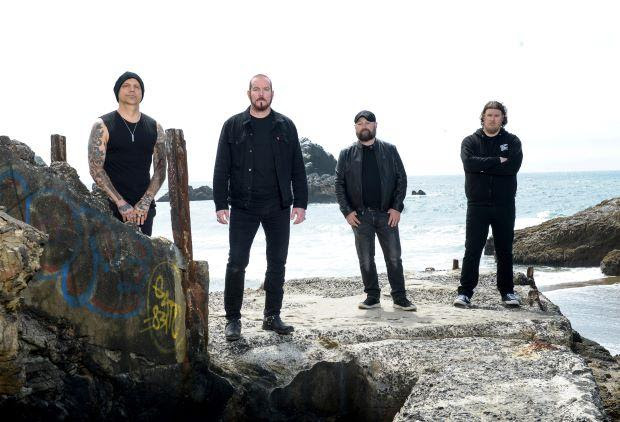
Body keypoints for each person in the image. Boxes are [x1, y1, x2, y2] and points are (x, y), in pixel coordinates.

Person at [213, 74, 308, 341]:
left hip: (278, 205)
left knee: (277, 263)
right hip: (243, 206)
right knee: (236, 262)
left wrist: (300, 202)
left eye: (266, 89)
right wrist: (220, 203)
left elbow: (297, 167)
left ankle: (272, 316)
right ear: (249, 94)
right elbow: (221, 167)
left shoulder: (286, 126)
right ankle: (233, 319)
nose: (261, 94)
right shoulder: (232, 125)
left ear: (272, 94)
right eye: (256, 89)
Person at [335, 110, 416, 311]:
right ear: (355, 128)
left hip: (386, 214)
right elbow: (339, 184)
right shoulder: (346, 154)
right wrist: (347, 211)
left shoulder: (389, 150)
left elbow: (401, 179)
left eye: (368, 122)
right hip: (360, 215)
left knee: (394, 257)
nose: (364, 126)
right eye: (360, 123)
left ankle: (400, 297)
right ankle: (372, 297)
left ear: (375, 125)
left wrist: (396, 208)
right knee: (365, 258)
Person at [454, 101, 523, 308]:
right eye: (489, 115)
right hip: (477, 205)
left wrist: (482, 166)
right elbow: (469, 163)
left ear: (503, 118)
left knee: (504, 250)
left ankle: (507, 292)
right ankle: (465, 293)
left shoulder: (512, 141)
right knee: (472, 249)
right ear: (483, 117)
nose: (493, 119)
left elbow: (512, 167)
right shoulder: (470, 141)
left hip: (504, 205)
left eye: (497, 115)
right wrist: (497, 160)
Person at [88, 71, 166, 236]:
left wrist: (145, 202)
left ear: (142, 93)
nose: (132, 89)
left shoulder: (155, 127)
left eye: (137, 87)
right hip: (109, 206)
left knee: (144, 253)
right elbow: (96, 169)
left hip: (143, 210)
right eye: (126, 86)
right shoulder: (102, 125)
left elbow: (160, 169)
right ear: (118, 91)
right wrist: (120, 203)